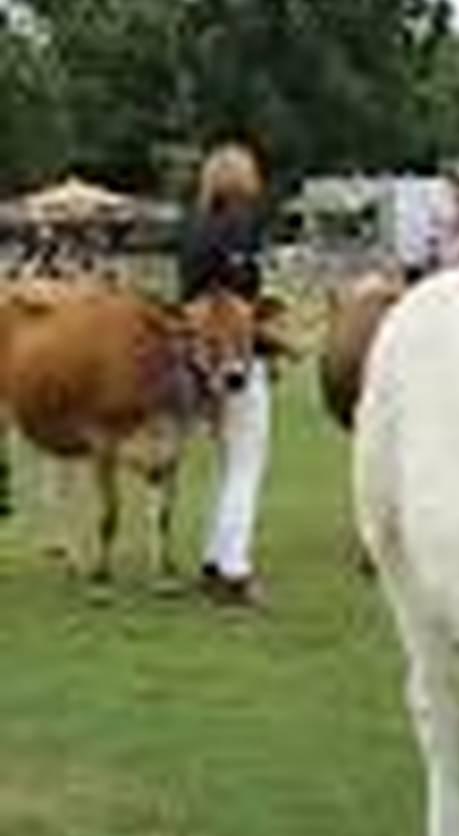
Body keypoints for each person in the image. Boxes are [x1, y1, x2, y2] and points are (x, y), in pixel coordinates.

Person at [178, 141, 273, 606]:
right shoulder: (238, 227)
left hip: (194, 358)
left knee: (227, 463)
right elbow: (236, 299)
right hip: (230, 356)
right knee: (246, 463)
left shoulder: (193, 226)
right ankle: (233, 571)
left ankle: (215, 560)